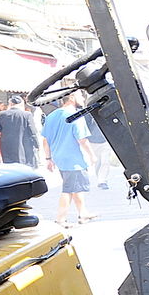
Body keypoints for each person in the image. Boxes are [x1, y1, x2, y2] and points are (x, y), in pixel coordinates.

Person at [41, 90, 96, 226]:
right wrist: (92, 156)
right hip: (73, 158)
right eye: (80, 95)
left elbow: (45, 140)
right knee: (69, 189)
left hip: (59, 157)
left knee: (75, 186)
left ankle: (83, 213)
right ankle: (60, 218)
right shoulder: (76, 115)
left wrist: (48, 158)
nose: (83, 98)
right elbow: (82, 139)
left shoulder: (52, 115)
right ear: (71, 98)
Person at [0, 95, 38, 166]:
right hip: (24, 146)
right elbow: (33, 132)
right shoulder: (27, 115)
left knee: (10, 168)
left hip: (7, 146)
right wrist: (36, 145)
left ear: (10, 104)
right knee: (24, 168)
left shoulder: (2, 114)